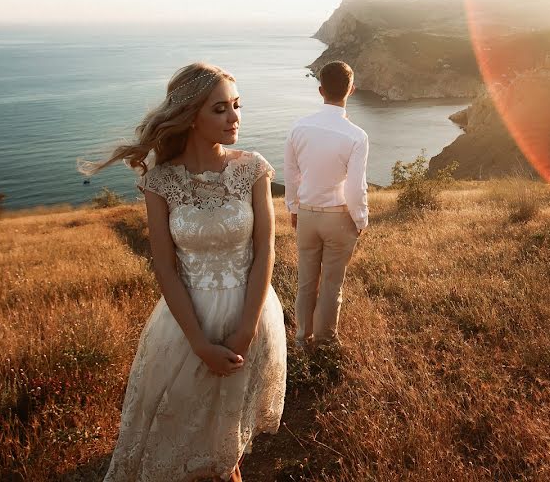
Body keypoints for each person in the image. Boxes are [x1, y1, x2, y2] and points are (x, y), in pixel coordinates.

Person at [83, 63, 287, 482]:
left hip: (252, 314)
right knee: (182, 437)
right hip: (185, 327)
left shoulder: (253, 168)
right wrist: (198, 342)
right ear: (192, 115)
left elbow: (266, 247)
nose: (234, 117)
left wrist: (245, 330)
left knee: (227, 448)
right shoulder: (160, 182)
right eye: (220, 109)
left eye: (236, 105)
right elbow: (165, 266)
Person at [283, 60, 369, 349]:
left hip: (306, 215)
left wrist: (294, 208)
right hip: (338, 217)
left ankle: (301, 339)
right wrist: (360, 219)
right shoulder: (357, 136)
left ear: (321, 90)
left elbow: (291, 174)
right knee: (332, 284)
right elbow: (356, 188)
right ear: (351, 90)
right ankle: (325, 342)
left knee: (307, 281)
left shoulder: (298, 127)